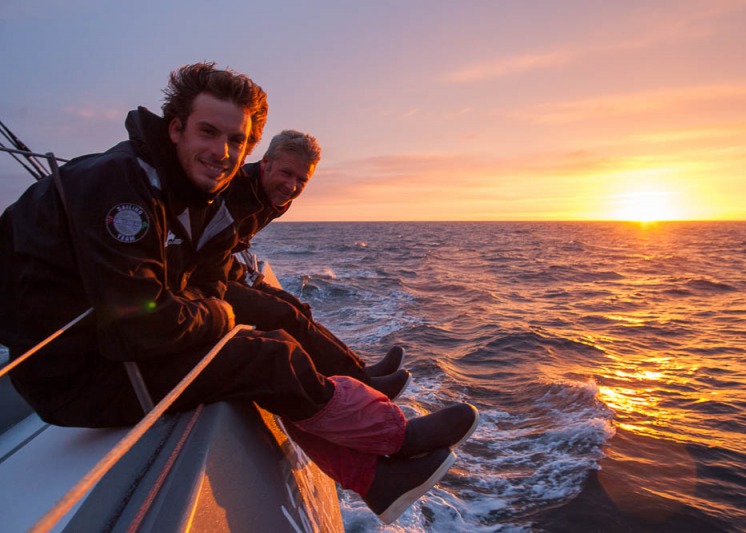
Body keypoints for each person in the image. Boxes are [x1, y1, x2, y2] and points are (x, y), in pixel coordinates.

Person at [0, 62, 479, 524]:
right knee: (265, 358)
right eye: (208, 132)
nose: (222, 151)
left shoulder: (176, 188)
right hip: (77, 376)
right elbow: (139, 327)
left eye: (235, 140)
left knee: (275, 344)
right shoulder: (122, 188)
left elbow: (192, 281)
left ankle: (376, 476)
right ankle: (392, 439)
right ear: (175, 129)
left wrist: (206, 307)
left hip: (99, 349)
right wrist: (222, 314)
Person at [222, 130, 408, 398]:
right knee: (285, 316)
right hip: (204, 279)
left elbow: (233, 243)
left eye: (301, 179)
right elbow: (208, 250)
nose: (291, 186)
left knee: (299, 309)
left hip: (226, 268)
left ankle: (360, 371)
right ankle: (360, 385)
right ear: (265, 162)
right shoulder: (236, 191)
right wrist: (244, 275)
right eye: (286, 173)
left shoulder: (275, 197)